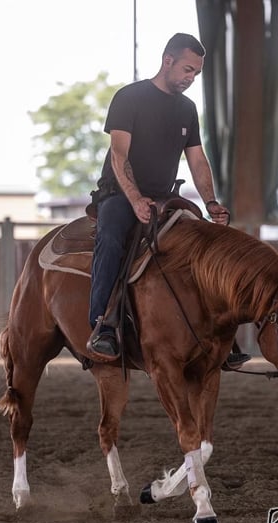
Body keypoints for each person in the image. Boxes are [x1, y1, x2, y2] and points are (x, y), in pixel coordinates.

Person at [87, 33, 244, 366]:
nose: (191, 78)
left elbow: (198, 160)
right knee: (112, 238)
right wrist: (135, 199)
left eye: (196, 74)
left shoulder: (187, 110)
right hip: (120, 194)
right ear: (167, 60)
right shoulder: (129, 97)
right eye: (187, 70)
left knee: (204, 243)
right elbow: (118, 154)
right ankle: (101, 326)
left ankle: (218, 335)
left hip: (166, 198)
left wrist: (212, 202)